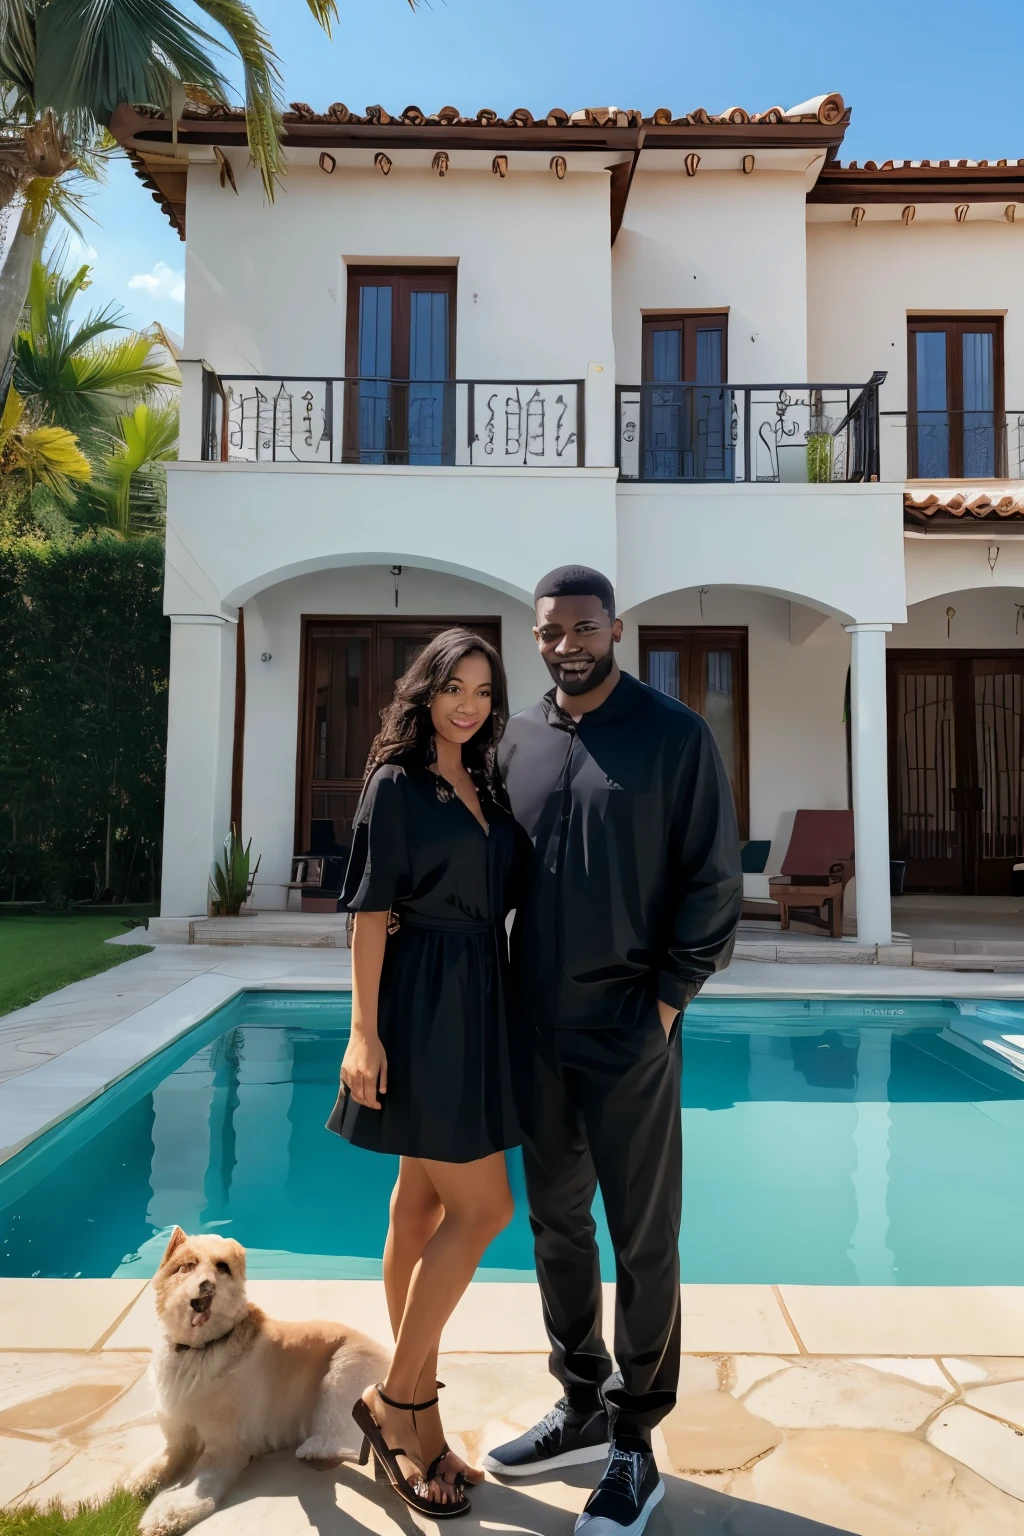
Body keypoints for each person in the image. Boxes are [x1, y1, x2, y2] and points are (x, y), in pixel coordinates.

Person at [484, 566, 742, 1536]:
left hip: (633, 1033)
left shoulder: (675, 736)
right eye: (550, 630)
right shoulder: (519, 739)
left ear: (616, 629)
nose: (566, 644)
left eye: (583, 627)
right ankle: (581, 1399)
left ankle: (635, 1439)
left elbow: (712, 886)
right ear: (537, 634)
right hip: (537, 1030)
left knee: (644, 1240)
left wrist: (668, 1006)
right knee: (556, 1227)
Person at [326, 628, 527, 1520]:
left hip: (480, 993)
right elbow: (371, 912)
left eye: (483, 690)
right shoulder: (396, 785)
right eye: (454, 686)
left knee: (420, 1203)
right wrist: (364, 1032)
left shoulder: (483, 781)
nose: (469, 704)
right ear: (426, 691)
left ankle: (423, 1411)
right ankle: (399, 1403)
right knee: (486, 1209)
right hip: (423, 1005)